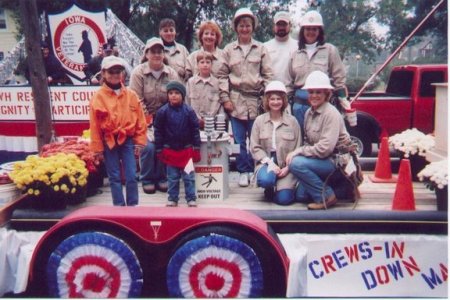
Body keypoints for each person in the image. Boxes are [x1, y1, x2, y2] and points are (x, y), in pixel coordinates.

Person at [217, 7, 273, 187]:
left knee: (257, 138)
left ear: (252, 27)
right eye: (241, 25)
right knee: (239, 139)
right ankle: (243, 170)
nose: (244, 29)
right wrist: (225, 98)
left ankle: (257, 169)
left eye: (248, 25)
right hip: (236, 99)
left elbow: (268, 74)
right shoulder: (228, 49)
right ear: (236, 28)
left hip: (256, 100)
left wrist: (267, 97)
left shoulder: (261, 48)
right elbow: (222, 75)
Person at [286, 71, 352, 210]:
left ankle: (328, 196)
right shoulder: (308, 113)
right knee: (301, 197)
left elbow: (325, 149)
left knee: (296, 163)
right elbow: (308, 141)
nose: (314, 96)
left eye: (319, 92)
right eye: (311, 92)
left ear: (327, 94)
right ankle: (342, 190)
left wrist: (299, 151)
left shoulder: (331, 113)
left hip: (335, 162)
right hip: (321, 161)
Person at [89, 56, 147, 206]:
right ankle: (119, 207)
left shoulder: (131, 95)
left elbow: (140, 120)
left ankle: (133, 205)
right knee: (114, 176)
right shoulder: (97, 97)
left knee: (131, 175)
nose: (115, 74)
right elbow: (94, 125)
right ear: (103, 73)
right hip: (108, 141)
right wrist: (97, 149)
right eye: (111, 71)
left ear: (123, 73)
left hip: (127, 139)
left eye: (118, 71)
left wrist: (139, 142)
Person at [129, 37, 180, 194]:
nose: (157, 55)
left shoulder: (171, 73)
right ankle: (147, 178)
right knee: (149, 147)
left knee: (165, 144)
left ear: (164, 54)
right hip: (145, 119)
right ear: (147, 54)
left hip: (167, 118)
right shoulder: (138, 73)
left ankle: (163, 177)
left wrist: (165, 119)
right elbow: (136, 100)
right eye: (153, 51)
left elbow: (176, 97)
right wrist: (149, 120)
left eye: (160, 51)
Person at [288, 10, 348, 133]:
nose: (311, 32)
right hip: (299, 104)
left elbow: (339, 78)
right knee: (300, 138)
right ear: (302, 31)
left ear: (319, 31)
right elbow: (289, 81)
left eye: (314, 29)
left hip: (322, 103)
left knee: (319, 138)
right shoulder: (295, 53)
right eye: (308, 29)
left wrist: (343, 99)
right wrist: (286, 104)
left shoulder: (330, 50)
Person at [250, 81, 301, 205]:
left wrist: (289, 168)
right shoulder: (259, 121)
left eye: (279, 99)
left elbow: (298, 147)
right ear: (267, 101)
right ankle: (270, 185)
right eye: (272, 99)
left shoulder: (292, 121)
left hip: (286, 165)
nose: (275, 102)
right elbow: (254, 147)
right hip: (267, 161)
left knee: (284, 200)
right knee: (266, 180)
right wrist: (270, 164)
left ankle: (281, 188)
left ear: (283, 100)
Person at [154, 81, 201, 207]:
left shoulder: (189, 111)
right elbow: (158, 131)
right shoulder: (162, 112)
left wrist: (196, 148)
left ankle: (191, 198)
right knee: (172, 177)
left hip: (186, 151)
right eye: (170, 93)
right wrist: (159, 149)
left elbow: (195, 130)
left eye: (177, 93)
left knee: (189, 177)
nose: (173, 96)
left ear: (183, 95)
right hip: (170, 151)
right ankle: (172, 198)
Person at [186, 51, 221, 128]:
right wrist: (197, 119)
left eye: (208, 62)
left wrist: (209, 119)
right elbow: (187, 102)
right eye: (202, 62)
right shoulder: (191, 82)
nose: (205, 65)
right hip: (194, 121)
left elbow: (216, 103)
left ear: (211, 65)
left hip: (212, 122)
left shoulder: (216, 83)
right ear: (197, 64)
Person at [264, 11, 298, 86]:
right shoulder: (265, 47)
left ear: (290, 25)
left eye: (284, 24)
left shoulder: (298, 46)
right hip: (270, 92)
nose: (281, 27)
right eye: (279, 25)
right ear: (274, 26)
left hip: (291, 92)